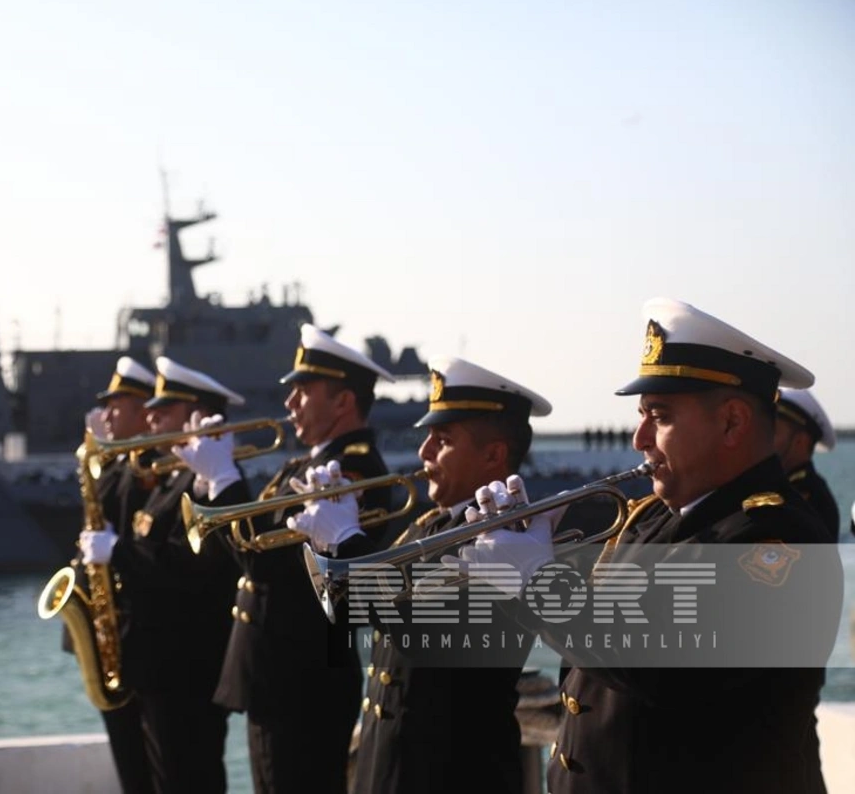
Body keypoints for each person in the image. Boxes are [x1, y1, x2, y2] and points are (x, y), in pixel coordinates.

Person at [454, 297, 842, 794]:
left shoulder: (779, 536)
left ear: (732, 422)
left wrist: (537, 579)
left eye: (659, 416)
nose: (639, 438)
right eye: (641, 415)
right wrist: (517, 555)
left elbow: (665, 664)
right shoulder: (652, 517)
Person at [189, 323, 394, 794]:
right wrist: (211, 484)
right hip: (279, 677)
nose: (290, 403)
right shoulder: (309, 464)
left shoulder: (352, 469)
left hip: (302, 682)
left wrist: (225, 481)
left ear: (343, 402)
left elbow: (267, 564)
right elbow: (251, 550)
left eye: (303, 392)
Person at [338, 356, 552, 793]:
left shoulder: (501, 538)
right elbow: (352, 609)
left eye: (443, 440)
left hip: (451, 773)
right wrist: (330, 547)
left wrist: (345, 541)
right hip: (392, 763)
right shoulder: (431, 525)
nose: (424, 453)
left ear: (493, 455)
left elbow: (414, 623)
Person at [80, 356, 247, 794]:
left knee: (188, 780)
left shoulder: (210, 482)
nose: (151, 417)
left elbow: (189, 568)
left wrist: (118, 551)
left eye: (164, 409)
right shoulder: (172, 481)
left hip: (188, 671)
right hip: (156, 667)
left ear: (199, 416)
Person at [64, 356, 157, 794]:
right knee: (130, 761)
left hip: (131, 632)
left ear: (142, 411)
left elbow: (115, 509)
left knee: (145, 764)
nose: (107, 415)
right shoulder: (123, 463)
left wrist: (105, 458)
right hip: (112, 633)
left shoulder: (145, 467)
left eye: (116, 406)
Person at [774, 387, 840, 540]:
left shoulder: (810, 500)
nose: (764, 438)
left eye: (773, 431)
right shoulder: (786, 489)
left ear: (800, 441)